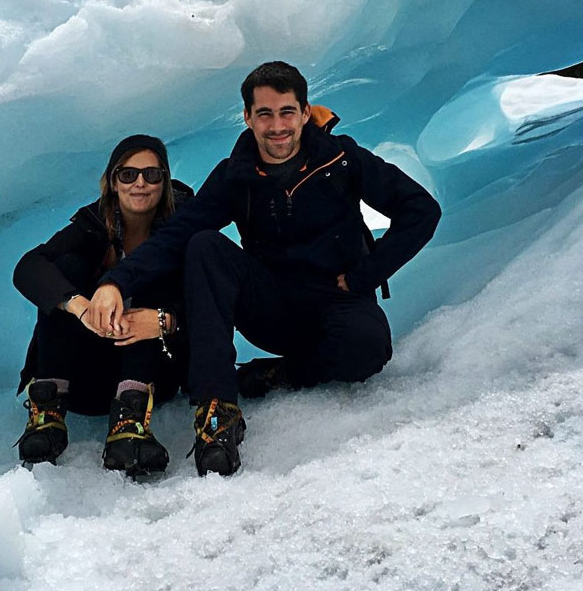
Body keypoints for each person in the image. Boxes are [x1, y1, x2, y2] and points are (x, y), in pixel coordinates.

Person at [85, 61, 441, 476]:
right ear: (248, 117)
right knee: (204, 245)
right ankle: (217, 411)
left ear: (305, 113)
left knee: (368, 348)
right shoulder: (235, 176)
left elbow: (420, 211)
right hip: (269, 303)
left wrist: (366, 274)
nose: (277, 126)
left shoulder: (342, 160)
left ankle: (281, 373)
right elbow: (176, 235)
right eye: (265, 114)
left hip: (336, 300)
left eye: (287, 112)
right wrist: (115, 281)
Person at [11, 134, 191, 477]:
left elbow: (213, 302)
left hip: (154, 377)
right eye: (128, 175)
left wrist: (165, 321)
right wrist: (80, 306)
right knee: (66, 269)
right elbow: (28, 267)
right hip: (85, 382)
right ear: (112, 181)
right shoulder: (93, 226)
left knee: (153, 274)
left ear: (165, 182)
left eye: (152, 175)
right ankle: (48, 411)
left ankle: (131, 422)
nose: (140, 183)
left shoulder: (182, 228)